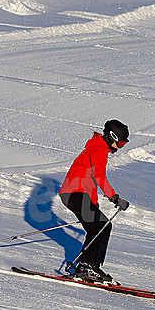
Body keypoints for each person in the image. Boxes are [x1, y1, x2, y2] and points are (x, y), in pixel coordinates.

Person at [59, 119, 131, 283]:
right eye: (119, 143)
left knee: (100, 227)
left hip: (76, 194)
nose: (119, 147)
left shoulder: (98, 148)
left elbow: (88, 178)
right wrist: (115, 198)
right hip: (74, 193)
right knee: (101, 226)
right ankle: (87, 267)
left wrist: (93, 204)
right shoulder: (98, 150)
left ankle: (90, 267)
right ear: (112, 137)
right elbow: (99, 177)